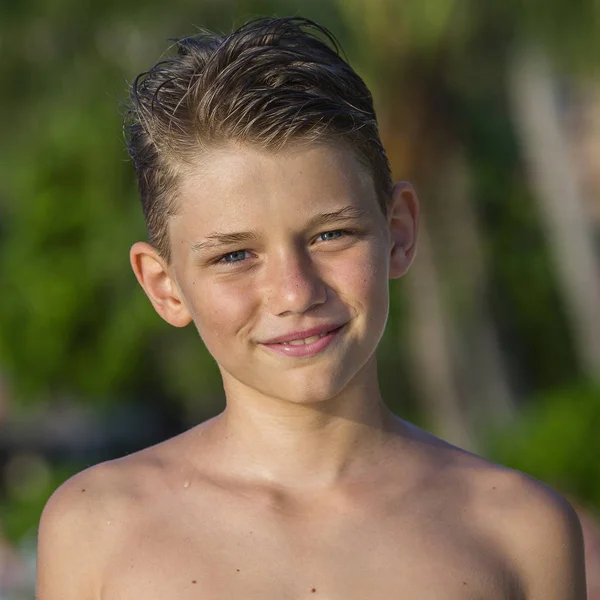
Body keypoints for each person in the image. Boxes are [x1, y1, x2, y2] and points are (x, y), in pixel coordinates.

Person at [36, 17, 587, 599]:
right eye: (235, 255)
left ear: (397, 231)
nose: (295, 292)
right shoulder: (97, 528)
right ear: (164, 285)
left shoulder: (520, 531)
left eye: (331, 236)